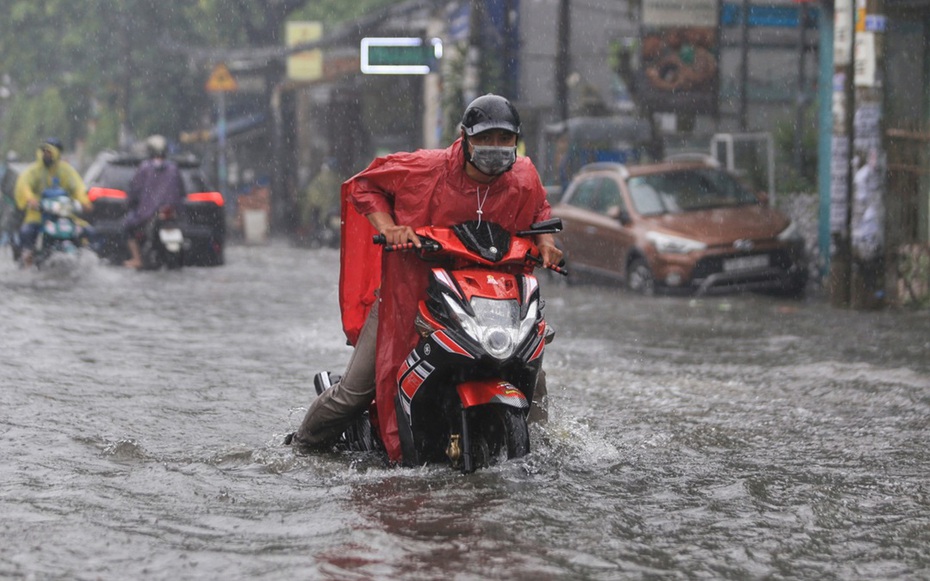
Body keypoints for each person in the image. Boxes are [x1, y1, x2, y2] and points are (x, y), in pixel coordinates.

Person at [290, 94, 562, 463]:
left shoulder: (524, 177)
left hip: (492, 300)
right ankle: (301, 445)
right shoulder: (423, 169)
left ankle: (539, 450)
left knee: (531, 370)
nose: (495, 148)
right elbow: (364, 186)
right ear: (464, 138)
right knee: (356, 391)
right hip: (410, 293)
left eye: (505, 140)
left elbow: (540, 210)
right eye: (486, 139)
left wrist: (546, 243)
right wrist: (390, 228)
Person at [14, 138, 91, 267]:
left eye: (50, 152)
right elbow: (24, 186)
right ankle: (27, 258)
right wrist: (30, 199)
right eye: (44, 152)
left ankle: (87, 254)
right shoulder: (34, 171)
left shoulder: (66, 171)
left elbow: (77, 188)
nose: (47, 155)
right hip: (38, 215)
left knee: (88, 232)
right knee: (26, 232)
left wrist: (84, 201)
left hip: (64, 215)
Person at [122, 135, 186, 269]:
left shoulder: (144, 168)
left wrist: (129, 203)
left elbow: (135, 190)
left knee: (127, 228)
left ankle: (136, 259)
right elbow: (182, 191)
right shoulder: (174, 168)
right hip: (172, 213)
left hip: (149, 214)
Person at [0, 150, 22, 254]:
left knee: (13, 226)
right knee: (6, 225)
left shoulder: (17, 171)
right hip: (6, 202)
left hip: (16, 203)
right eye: (11, 160)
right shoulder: (4, 170)